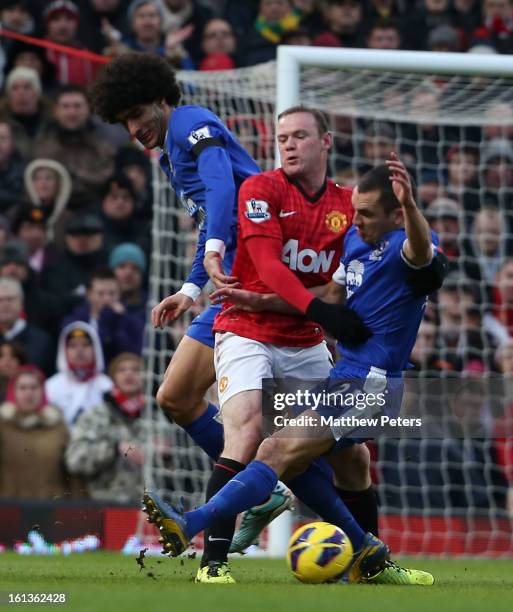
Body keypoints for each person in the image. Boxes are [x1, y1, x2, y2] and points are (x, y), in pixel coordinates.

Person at [143, 154, 444, 586]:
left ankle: (191, 524)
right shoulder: (357, 241)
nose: (356, 221)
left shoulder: (406, 246)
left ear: (397, 214)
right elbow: (328, 292)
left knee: (273, 451)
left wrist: (412, 207)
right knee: (338, 461)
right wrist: (259, 300)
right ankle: (370, 557)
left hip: (372, 385)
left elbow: (420, 249)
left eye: (368, 214)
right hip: (344, 374)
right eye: (354, 211)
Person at [89, 51, 291, 573]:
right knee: (176, 397)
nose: (135, 129)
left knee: (268, 432)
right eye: (124, 122)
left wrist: (215, 255)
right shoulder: (169, 156)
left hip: (257, 276)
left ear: (161, 99)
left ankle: (224, 546)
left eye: (138, 114)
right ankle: (264, 495)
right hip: (232, 279)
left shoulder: (192, 122)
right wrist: (190, 285)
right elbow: (209, 219)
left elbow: (226, 191)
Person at [65, 352, 147, 502]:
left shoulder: (160, 417)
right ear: (113, 377)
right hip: (107, 504)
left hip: (151, 509)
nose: (129, 373)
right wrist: (115, 448)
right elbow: (74, 460)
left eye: (136, 370)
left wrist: (165, 456)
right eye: (122, 370)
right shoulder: (95, 415)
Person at [0, 366, 75, 499]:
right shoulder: (2, 425)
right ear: (13, 391)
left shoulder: (57, 425)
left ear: (43, 391)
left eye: (34, 387)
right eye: (22, 388)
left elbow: (72, 473)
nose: (29, 393)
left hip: (51, 509)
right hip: (9, 510)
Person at [45, 321, 113, 426]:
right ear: (64, 350)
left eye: (85, 345)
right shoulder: (50, 386)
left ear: (96, 349)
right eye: (72, 346)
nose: (79, 350)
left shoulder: (107, 386)